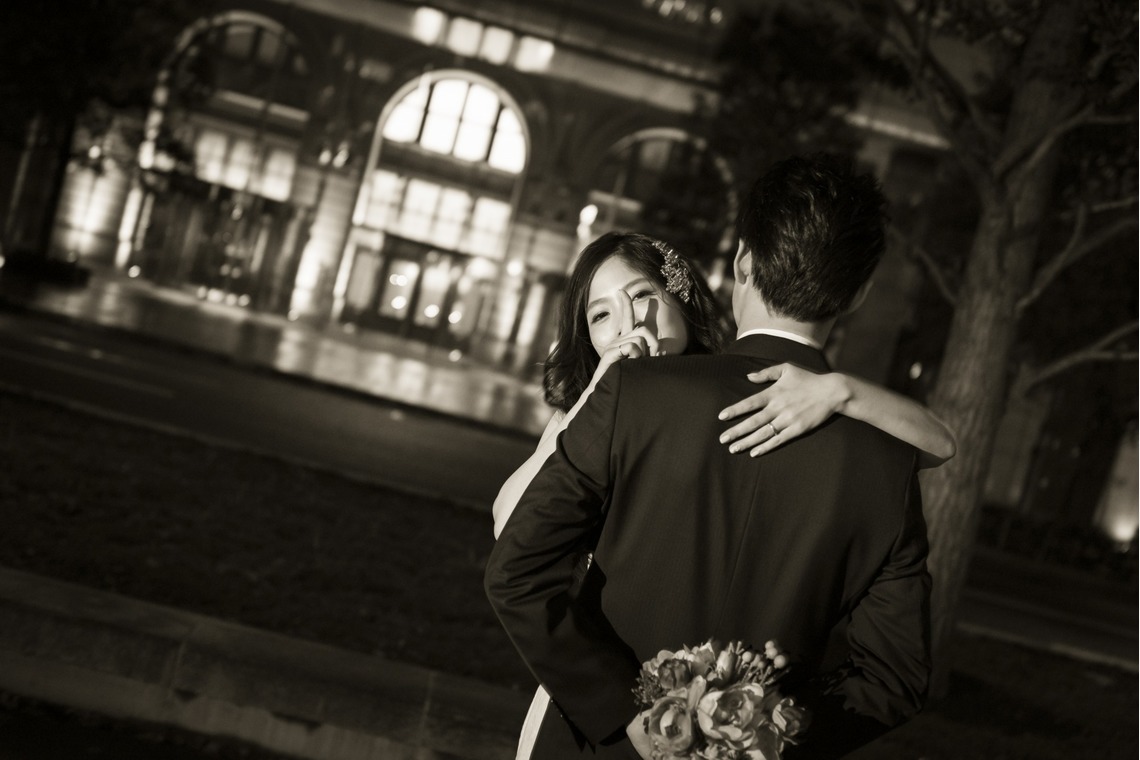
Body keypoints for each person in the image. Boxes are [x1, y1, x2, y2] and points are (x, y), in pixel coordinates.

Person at [485, 154, 935, 759]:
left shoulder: (634, 394)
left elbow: (517, 572)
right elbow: (893, 679)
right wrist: (759, 733)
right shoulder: (889, 464)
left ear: (743, 261)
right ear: (858, 292)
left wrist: (622, 719)